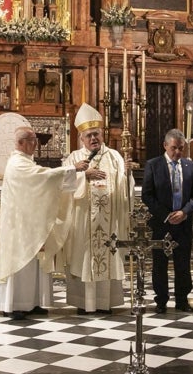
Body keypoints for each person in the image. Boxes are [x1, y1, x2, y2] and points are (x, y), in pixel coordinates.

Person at [0, 126, 78, 321]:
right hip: (19, 226)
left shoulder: (25, 161)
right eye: (32, 140)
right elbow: (43, 177)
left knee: (33, 262)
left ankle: (31, 302)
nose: (36, 144)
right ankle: (14, 304)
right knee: (21, 263)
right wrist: (73, 169)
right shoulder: (17, 163)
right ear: (20, 143)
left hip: (30, 222)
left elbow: (40, 181)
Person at [63, 103, 130, 315]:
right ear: (81, 138)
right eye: (89, 135)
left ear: (103, 135)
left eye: (97, 134)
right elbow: (62, 184)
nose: (94, 139)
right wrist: (84, 175)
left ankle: (104, 302)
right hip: (82, 222)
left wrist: (126, 174)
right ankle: (84, 303)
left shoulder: (114, 157)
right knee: (83, 258)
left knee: (108, 255)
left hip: (109, 222)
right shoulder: (74, 158)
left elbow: (123, 189)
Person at [142, 129, 193, 313]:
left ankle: (182, 300)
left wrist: (184, 212)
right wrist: (166, 215)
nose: (177, 152)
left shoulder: (189, 166)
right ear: (165, 146)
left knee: (183, 263)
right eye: (174, 148)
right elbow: (147, 195)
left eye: (181, 149)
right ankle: (161, 301)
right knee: (160, 263)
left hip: (183, 222)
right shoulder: (153, 165)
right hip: (161, 222)